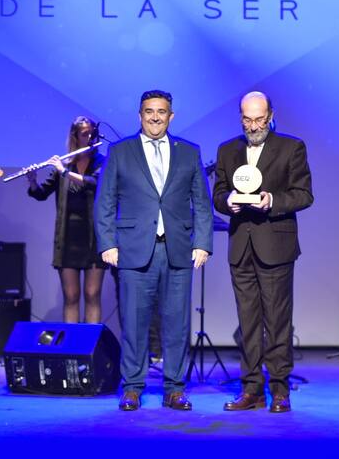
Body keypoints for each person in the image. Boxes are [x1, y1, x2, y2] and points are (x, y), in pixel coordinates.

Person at [95, 90, 213, 411]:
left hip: (178, 249)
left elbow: (202, 203)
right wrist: (108, 243)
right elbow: (105, 201)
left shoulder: (189, 151)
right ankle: (132, 387)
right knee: (134, 322)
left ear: (171, 116)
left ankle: (175, 389)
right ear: (140, 115)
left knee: (177, 324)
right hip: (133, 249)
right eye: (149, 111)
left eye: (161, 112)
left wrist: (203, 242)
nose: (155, 117)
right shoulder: (120, 151)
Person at [213, 91, 313, 413]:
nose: (254, 126)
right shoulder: (227, 149)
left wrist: (272, 201)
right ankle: (251, 390)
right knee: (248, 323)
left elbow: (303, 195)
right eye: (247, 120)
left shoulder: (291, 147)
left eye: (259, 119)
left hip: (275, 246)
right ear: (240, 117)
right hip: (241, 246)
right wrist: (228, 201)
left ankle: (280, 390)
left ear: (270, 115)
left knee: (277, 321)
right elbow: (218, 194)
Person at [28, 116, 107, 323]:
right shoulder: (64, 164)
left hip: (94, 238)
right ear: (75, 137)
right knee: (71, 297)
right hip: (68, 239)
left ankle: (90, 342)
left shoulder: (102, 162)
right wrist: (33, 181)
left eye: (92, 134)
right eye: (85, 134)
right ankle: (72, 342)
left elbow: (94, 183)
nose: (90, 138)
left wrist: (63, 172)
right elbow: (41, 194)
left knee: (92, 294)